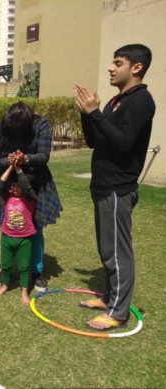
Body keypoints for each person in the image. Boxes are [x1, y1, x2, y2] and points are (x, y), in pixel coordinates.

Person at [73, 44, 155, 331]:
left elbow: (123, 142)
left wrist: (95, 113)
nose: (111, 67)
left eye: (118, 63)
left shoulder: (141, 101)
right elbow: (95, 140)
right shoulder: (116, 101)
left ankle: (118, 312)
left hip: (119, 189)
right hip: (103, 187)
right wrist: (87, 114)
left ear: (136, 68)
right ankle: (109, 298)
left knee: (118, 253)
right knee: (107, 249)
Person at [0, 102, 62, 292]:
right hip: (7, 180)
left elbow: (44, 156)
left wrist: (26, 158)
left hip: (36, 181)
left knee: (35, 227)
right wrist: (10, 160)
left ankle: (36, 271)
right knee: (9, 224)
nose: (17, 133)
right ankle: (7, 270)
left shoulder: (41, 124)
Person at [0, 159, 37, 305]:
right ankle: (5, 285)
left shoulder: (30, 199)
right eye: (12, 185)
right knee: (6, 265)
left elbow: (26, 187)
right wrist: (11, 167)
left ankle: (24, 291)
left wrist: (18, 169)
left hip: (25, 239)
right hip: (7, 237)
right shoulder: (7, 197)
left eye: (17, 186)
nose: (14, 188)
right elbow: (0, 185)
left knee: (23, 267)